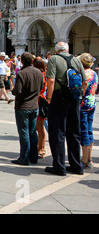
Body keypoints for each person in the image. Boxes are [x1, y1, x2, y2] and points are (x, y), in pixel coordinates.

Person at [45, 42, 87, 176]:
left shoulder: (54, 59)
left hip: (59, 98)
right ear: (68, 49)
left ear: (56, 51)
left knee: (58, 132)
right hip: (75, 98)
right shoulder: (76, 59)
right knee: (74, 132)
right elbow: (84, 82)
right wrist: (80, 97)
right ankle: (76, 166)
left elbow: (51, 80)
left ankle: (59, 166)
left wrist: (49, 99)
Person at [11, 52, 43, 166]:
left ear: (22, 61)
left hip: (23, 106)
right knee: (33, 131)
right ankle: (33, 156)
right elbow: (41, 87)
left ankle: (24, 158)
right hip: (34, 106)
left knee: (24, 132)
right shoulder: (38, 72)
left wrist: (12, 89)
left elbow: (17, 91)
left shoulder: (21, 73)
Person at [77, 53, 97, 169]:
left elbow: (80, 88)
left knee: (84, 130)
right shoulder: (94, 73)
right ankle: (89, 157)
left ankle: (84, 158)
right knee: (89, 130)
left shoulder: (82, 74)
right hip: (92, 102)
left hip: (83, 104)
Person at [33, 57, 48, 159]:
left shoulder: (41, 75)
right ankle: (39, 147)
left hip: (39, 100)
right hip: (39, 100)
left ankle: (41, 148)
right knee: (38, 127)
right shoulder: (43, 74)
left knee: (39, 127)